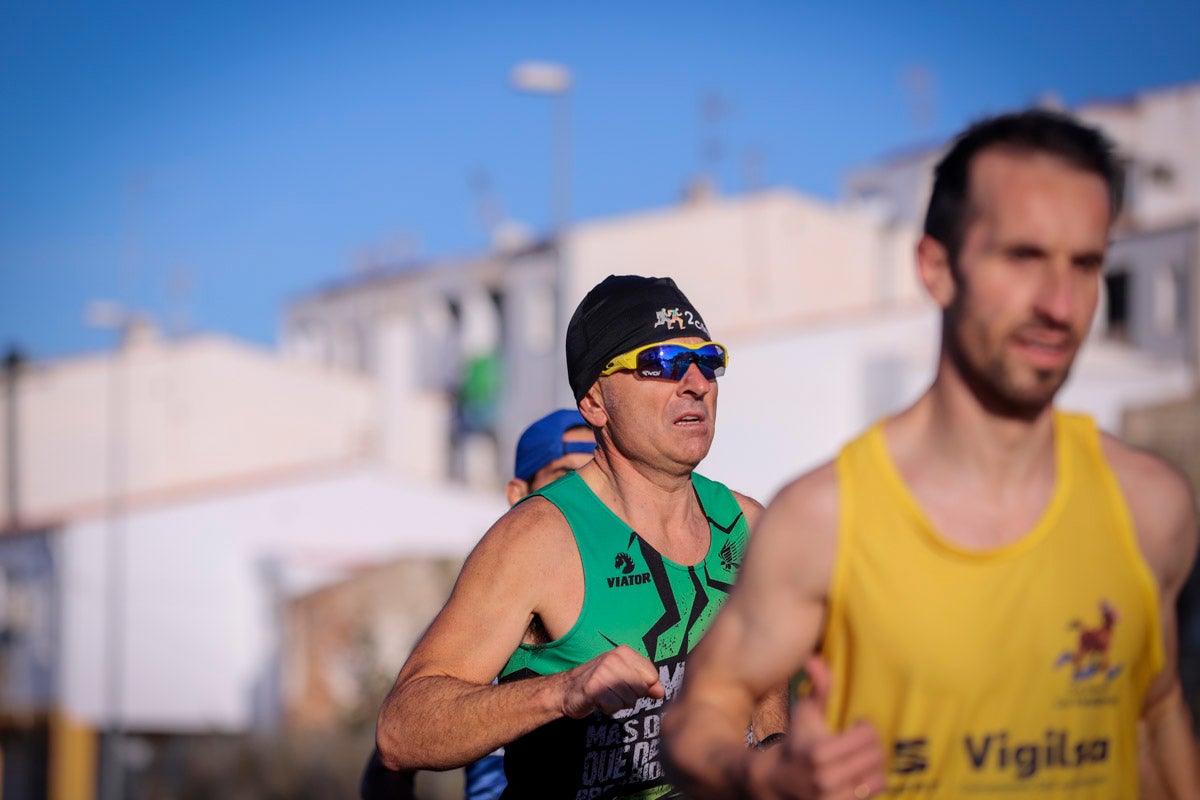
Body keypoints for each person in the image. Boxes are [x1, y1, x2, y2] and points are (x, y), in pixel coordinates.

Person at [662, 109, 1200, 798]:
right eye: (1023, 257)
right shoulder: (826, 520)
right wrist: (765, 773)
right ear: (936, 268)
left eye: (1086, 264)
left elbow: (1153, 717)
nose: (1060, 305)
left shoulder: (1150, 507)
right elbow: (695, 721)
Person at [375, 274, 784, 798]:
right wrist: (564, 691)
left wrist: (775, 749)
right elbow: (402, 729)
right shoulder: (538, 539)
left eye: (708, 361)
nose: (695, 383)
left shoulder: (745, 524)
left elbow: (765, 668)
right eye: (661, 364)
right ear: (594, 403)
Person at [361, 408, 598, 800]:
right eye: (564, 478)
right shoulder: (472, 625)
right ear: (518, 495)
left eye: (593, 479)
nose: (583, 496)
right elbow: (389, 761)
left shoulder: (632, 599)